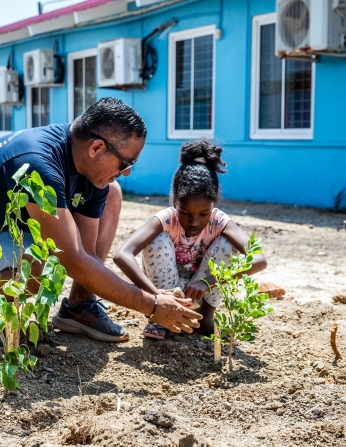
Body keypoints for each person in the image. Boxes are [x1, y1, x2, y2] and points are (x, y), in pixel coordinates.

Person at [0, 97, 202, 344]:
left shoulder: (86, 161)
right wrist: (152, 306)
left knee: (111, 194)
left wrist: (154, 296)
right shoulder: (37, 163)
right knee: (48, 260)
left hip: (12, 234)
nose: (127, 172)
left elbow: (85, 255)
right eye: (125, 162)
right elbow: (71, 259)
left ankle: (78, 306)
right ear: (96, 147)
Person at [114, 139, 267, 339]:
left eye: (203, 214)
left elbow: (259, 260)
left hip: (200, 291)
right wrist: (157, 297)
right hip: (168, 292)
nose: (194, 222)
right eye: (185, 213)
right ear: (175, 201)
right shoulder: (166, 219)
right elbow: (122, 255)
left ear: (213, 206)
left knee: (228, 244)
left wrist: (209, 282)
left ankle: (204, 319)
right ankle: (160, 319)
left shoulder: (219, 221)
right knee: (156, 240)